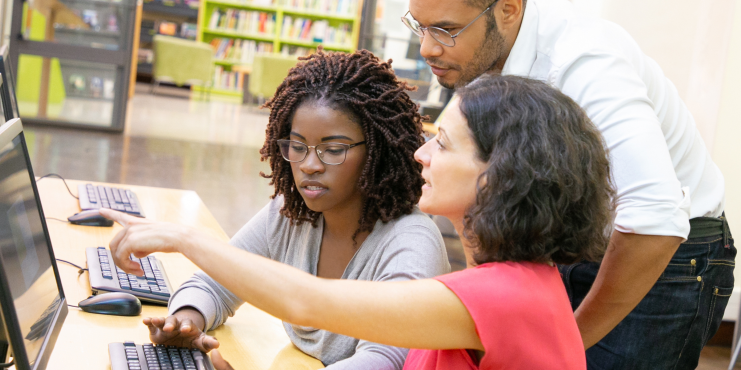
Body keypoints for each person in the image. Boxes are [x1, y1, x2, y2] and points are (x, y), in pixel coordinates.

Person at [101, 74, 615, 369]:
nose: (420, 153)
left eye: (443, 142)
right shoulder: (509, 284)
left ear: (498, 174)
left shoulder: (500, 296)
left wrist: (184, 237)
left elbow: (308, 301)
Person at [400, 0, 734, 367]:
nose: (427, 48)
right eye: (419, 26)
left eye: (447, 30)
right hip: (580, 240)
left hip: (663, 250)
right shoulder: (483, 55)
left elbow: (655, 218)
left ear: (508, 9)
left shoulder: (583, 60)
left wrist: (563, 345)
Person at [138, 49, 450, 369]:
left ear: (377, 152)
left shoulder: (411, 241)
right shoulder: (292, 213)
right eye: (298, 147)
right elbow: (215, 282)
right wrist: (186, 322)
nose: (309, 166)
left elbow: (386, 358)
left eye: (333, 150)